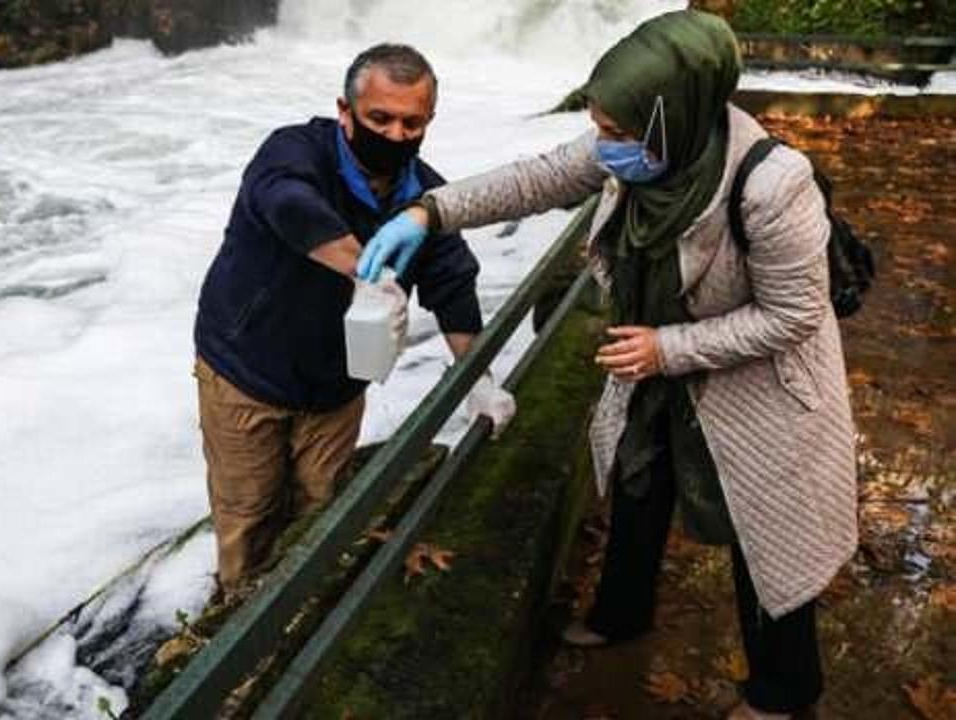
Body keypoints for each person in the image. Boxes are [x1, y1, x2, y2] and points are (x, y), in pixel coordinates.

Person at [363, 12, 858, 720]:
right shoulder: (637, 143)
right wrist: (428, 213)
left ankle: (784, 692)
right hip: (653, 368)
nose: (603, 144)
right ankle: (622, 614)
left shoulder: (772, 185)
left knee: (764, 534)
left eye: (616, 131)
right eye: (599, 126)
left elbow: (794, 317)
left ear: (673, 115)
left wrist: (667, 349)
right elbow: (536, 180)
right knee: (637, 484)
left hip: (755, 389)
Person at [193, 43, 517, 602]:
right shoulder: (294, 152)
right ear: (345, 111)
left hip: (337, 384)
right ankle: (236, 615)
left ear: (429, 121)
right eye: (380, 118)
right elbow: (288, 202)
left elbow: (453, 284)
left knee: (322, 506)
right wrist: (368, 270)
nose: (395, 134)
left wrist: (478, 378)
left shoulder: (425, 199)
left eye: (412, 123)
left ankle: (305, 608)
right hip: (246, 369)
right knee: (248, 513)